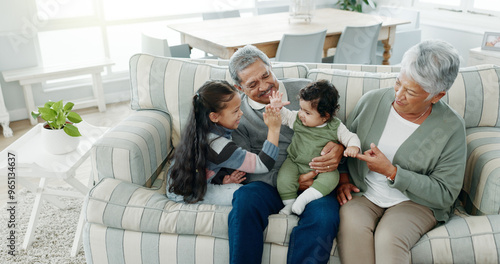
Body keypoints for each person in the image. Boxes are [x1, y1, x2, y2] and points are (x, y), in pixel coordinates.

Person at [336, 39, 466, 264]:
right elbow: (344, 146)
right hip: (364, 194)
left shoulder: (451, 127)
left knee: (389, 237)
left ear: (437, 96)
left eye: (411, 92)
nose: (398, 95)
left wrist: (393, 173)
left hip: (415, 203)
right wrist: (344, 179)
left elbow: (445, 193)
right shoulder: (372, 102)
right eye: (398, 83)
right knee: (352, 225)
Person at [228, 44, 344, 264]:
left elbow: (336, 127)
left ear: (271, 66)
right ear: (240, 88)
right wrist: (289, 182)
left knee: (324, 217)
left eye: (266, 75)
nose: (264, 86)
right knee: (244, 200)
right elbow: (245, 167)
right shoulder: (238, 116)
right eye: (253, 84)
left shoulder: (306, 91)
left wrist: (340, 148)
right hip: (269, 184)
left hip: (316, 181)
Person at [166, 80, 282, 206]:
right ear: (214, 116)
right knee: (245, 195)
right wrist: (274, 128)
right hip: (185, 192)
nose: (241, 113)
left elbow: (205, 164)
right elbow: (263, 164)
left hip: (184, 181)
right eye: (236, 111)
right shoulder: (219, 146)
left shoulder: (200, 128)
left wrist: (221, 181)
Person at [269, 81, 360, 215]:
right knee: (283, 179)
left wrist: (353, 146)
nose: (301, 114)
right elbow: (284, 117)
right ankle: (289, 204)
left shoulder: (335, 126)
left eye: (307, 112)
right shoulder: (298, 119)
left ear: (325, 116)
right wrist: (278, 108)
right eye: (301, 109)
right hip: (294, 162)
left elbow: (351, 137)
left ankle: (304, 199)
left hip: (322, 169)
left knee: (332, 179)